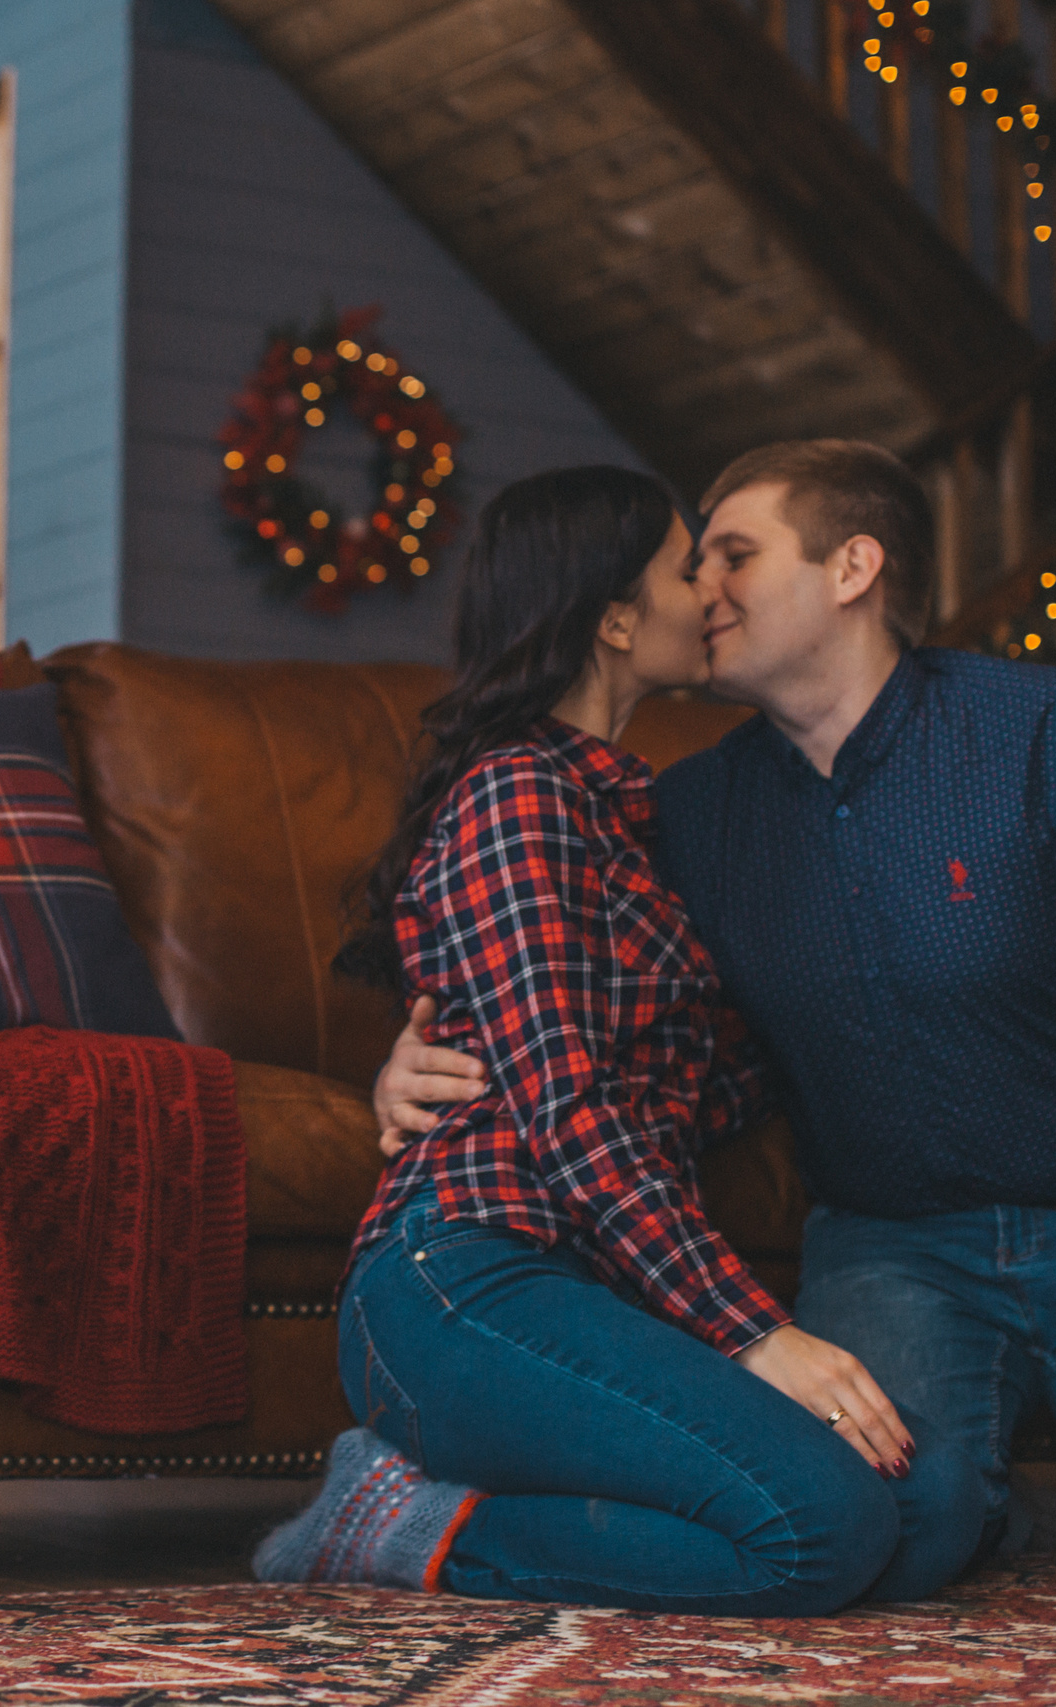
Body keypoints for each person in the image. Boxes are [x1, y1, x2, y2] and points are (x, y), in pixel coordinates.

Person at [374, 440, 1056, 1594]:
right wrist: (427, 1048)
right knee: (876, 1535)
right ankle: (996, 1509)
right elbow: (566, 979)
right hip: (892, 1246)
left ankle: (1039, 1501)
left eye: (733, 554)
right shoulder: (681, 811)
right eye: (694, 565)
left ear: (851, 568)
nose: (709, 589)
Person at [253, 466, 984, 1612]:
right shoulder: (516, 797)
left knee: (936, 1500)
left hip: (594, 1291)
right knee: (824, 1531)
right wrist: (756, 1337)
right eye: (688, 563)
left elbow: (704, 1084)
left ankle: (598, 1506)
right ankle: (403, 1525)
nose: (711, 589)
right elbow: (566, 1109)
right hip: (465, 1276)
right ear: (613, 614)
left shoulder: (638, 814)